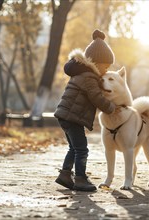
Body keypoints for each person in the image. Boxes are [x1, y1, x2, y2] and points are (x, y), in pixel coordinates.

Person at [54, 30, 116, 191]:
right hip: (72, 117)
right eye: (106, 66)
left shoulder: (83, 74)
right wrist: (111, 108)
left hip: (65, 115)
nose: (107, 69)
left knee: (73, 148)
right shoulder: (89, 77)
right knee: (82, 149)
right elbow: (96, 97)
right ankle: (80, 178)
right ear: (96, 62)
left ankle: (65, 174)